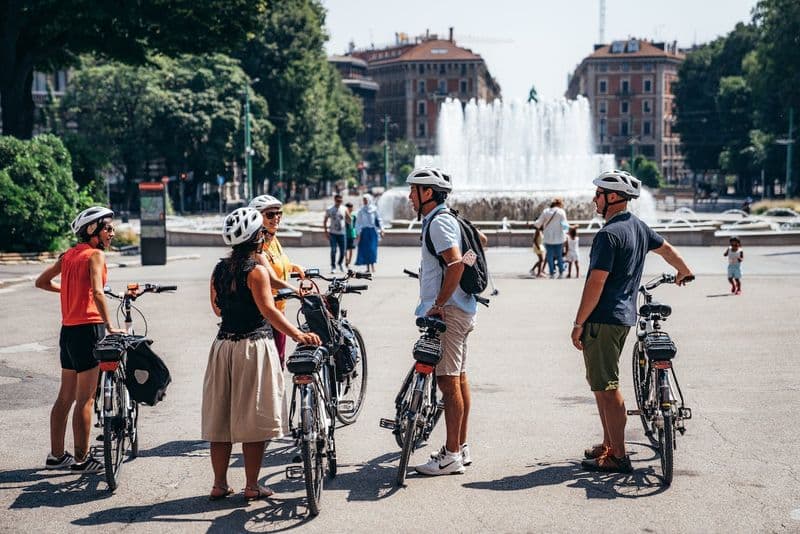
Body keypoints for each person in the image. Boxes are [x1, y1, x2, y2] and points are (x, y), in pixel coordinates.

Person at [571, 170, 693, 474]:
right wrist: (684, 270)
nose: (594, 199)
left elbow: (596, 283)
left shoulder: (608, 235)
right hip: (624, 316)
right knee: (600, 384)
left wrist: (578, 322)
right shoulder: (638, 227)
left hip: (603, 318)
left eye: (598, 194)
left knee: (607, 387)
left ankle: (618, 455)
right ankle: (609, 442)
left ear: (612, 197)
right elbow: (666, 249)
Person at [203, 207, 320, 501]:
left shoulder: (219, 269)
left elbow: (217, 308)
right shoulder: (256, 272)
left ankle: (219, 483)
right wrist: (298, 334)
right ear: (257, 237)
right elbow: (269, 310)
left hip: (222, 347)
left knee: (221, 419)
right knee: (254, 420)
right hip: (253, 347)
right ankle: (252, 486)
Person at [35, 206, 125, 473]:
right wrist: (111, 326)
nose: (112, 233)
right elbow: (98, 293)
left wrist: (68, 291)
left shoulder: (68, 256)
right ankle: (82, 459)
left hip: (68, 332)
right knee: (84, 399)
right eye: (108, 228)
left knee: (65, 397)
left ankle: (56, 456)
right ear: (92, 231)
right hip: (89, 329)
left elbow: (41, 282)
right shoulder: (94, 255)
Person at [406, 167, 477, 476]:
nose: (410, 196)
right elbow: (471, 252)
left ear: (428, 193)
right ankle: (460, 447)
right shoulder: (445, 220)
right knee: (457, 378)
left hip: (448, 312)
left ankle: (450, 455)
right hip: (459, 308)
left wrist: (437, 304)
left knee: (448, 382)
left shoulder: (439, 223)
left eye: (414, 190)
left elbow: (456, 264)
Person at [249, 195, 306, 366]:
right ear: (257, 218)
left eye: (279, 213)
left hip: (278, 311)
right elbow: (271, 279)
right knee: (271, 367)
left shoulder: (273, 240)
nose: (276, 218)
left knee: (278, 363)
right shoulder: (256, 246)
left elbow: (277, 263)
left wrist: (293, 266)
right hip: (265, 316)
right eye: (270, 215)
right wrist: (296, 291)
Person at [533, 198, 568, 278]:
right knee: (559, 256)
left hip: (548, 238)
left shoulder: (546, 211)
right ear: (559, 204)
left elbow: (538, 223)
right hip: (559, 238)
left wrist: (533, 224)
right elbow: (565, 226)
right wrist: (567, 235)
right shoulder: (561, 212)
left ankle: (552, 273)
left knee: (549, 256)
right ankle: (561, 273)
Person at [355, 193, 384, 273]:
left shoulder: (374, 210)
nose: (364, 201)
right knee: (366, 250)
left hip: (372, 232)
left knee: (372, 249)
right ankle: (368, 267)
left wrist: (382, 229)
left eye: (366, 200)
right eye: (363, 200)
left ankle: (373, 266)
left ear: (369, 200)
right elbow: (358, 222)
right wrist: (358, 232)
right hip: (364, 232)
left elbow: (379, 220)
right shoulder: (361, 211)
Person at [323, 193, 347, 272]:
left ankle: (340, 263)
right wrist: (326, 232)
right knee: (333, 250)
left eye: (340, 200)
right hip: (333, 233)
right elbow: (325, 220)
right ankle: (333, 266)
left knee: (343, 250)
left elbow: (349, 219)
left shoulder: (344, 208)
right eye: (338, 200)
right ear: (335, 200)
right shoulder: (330, 209)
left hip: (342, 233)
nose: (339, 201)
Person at [344, 201, 357, 268]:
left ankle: (349, 261)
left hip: (352, 234)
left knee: (351, 248)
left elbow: (353, 224)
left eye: (351, 207)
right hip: (345, 233)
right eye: (349, 207)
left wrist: (357, 233)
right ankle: (346, 260)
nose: (350, 209)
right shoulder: (344, 215)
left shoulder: (354, 215)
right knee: (345, 249)